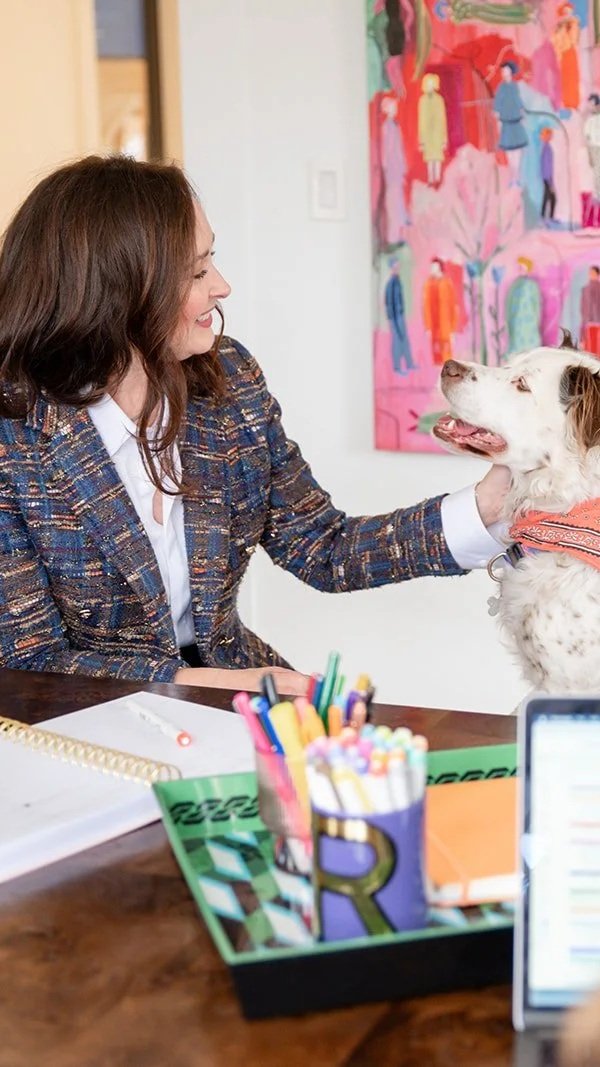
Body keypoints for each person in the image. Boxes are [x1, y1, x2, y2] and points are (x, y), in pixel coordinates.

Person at [0, 156, 509, 693]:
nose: (222, 286)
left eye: (211, 259)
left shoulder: (230, 379)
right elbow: (29, 661)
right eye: (196, 272)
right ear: (118, 290)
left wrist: (487, 506)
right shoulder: (14, 437)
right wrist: (206, 683)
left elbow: (323, 546)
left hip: (239, 693)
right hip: (82, 721)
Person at [493, 61, 528, 186]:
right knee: (509, 154)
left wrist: (522, 111)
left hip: (516, 122)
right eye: (502, 71)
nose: (503, 73)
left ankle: (517, 178)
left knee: (518, 153)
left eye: (505, 70)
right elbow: (497, 104)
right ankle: (513, 178)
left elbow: (518, 101)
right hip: (507, 124)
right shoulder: (501, 87)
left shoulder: (515, 86)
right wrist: (498, 118)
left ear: (511, 72)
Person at [422, 258, 458, 364]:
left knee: (446, 354)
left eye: (434, 267)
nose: (431, 270)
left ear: (439, 268)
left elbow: (453, 306)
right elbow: (426, 306)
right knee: (436, 354)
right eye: (431, 267)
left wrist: (453, 328)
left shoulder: (447, 283)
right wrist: (428, 327)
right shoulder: (428, 284)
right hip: (434, 325)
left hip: (445, 325)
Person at [384, 258, 415, 374]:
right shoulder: (391, 283)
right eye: (395, 267)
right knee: (397, 342)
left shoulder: (398, 281)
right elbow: (389, 303)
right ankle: (397, 368)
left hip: (400, 315)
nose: (397, 269)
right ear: (391, 268)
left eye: (398, 266)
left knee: (405, 340)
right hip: (394, 317)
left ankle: (409, 364)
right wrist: (392, 319)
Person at [505, 256, 542, 354]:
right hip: (516, 321)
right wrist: (508, 319)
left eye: (522, 267)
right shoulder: (514, 285)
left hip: (529, 321)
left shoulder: (532, 285)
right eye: (519, 267)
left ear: (527, 269)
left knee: (530, 348)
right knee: (517, 346)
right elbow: (509, 303)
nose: (520, 269)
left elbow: (536, 305)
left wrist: (536, 319)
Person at [418, 73, 448, 187]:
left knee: (437, 158)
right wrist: (421, 141)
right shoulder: (422, 100)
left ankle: (438, 179)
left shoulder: (439, 100)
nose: (430, 86)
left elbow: (443, 119)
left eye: (432, 84)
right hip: (427, 135)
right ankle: (431, 179)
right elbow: (421, 121)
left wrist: (444, 140)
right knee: (430, 159)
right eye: (428, 84)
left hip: (438, 134)